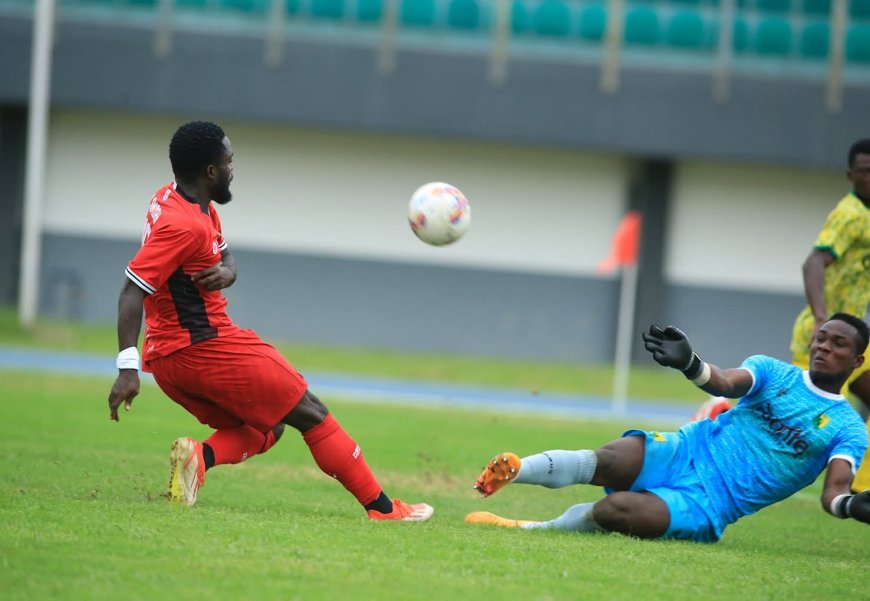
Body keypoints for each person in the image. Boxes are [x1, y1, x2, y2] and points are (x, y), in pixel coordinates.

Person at [107, 121, 433, 522]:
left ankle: (200, 457)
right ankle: (382, 509)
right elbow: (132, 289)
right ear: (211, 171)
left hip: (172, 356)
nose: (232, 168)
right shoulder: (184, 224)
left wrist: (228, 271)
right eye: (229, 162)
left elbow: (224, 255)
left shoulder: (181, 200)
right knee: (311, 411)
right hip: (203, 347)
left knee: (269, 426)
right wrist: (126, 367)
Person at [464, 316, 870, 542]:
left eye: (838, 344)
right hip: (688, 450)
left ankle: (530, 528)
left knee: (616, 510)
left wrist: (851, 506)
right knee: (614, 457)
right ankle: (518, 469)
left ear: (856, 361)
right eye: (820, 339)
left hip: (712, 503)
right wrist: (690, 362)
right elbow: (725, 383)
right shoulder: (774, 371)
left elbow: (834, 491)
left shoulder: (849, 429)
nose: (823, 347)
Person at [695, 139, 870, 492]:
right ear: (850, 175)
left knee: (793, 411)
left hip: (848, 336)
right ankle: (717, 413)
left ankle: (857, 484)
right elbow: (814, 261)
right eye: (866, 172)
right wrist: (823, 319)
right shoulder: (850, 214)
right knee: (783, 409)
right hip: (829, 337)